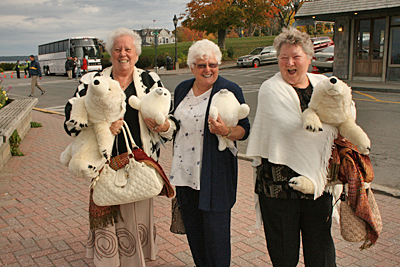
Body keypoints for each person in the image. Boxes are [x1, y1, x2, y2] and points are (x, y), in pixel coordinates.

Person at [64, 27, 177, 267]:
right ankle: (109, 260)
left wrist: (162, 126)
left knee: (136, 209)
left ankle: (135, 259)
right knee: (107, 207)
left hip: (138, 162)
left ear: (136, 54)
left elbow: (171, 120)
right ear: (109, 53)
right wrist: (102, 125)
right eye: (117, 49)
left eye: (128, 49)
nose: (122, 54)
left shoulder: (149, 80)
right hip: (103, 164)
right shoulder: (91, 82)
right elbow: (71, 122)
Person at [246, 27, 339, 267]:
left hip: (318, 184)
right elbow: (294, 129)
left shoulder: (323, 84)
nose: (290, 62)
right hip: (279, 187)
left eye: (296, 56)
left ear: (309, 58)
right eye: (283, 57)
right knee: (284, 255)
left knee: (321, 250)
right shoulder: (271, 88)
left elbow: (344, 116)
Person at [169, 39, 250, 267]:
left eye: (212, 64)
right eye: (201, 65)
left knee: (217, 240)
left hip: (215, 178)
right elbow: (176, 123)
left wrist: (226, 131)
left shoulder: (229, 90)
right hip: (185, 176)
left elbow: (245, 130)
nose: (208, 70)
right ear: (191, 67)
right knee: (196, 237)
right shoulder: (182, 89)